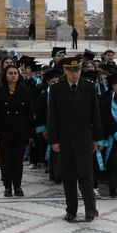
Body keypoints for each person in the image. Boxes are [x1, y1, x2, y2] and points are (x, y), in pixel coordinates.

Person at [48, 56, 103, 222]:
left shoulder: (89, 87)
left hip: (84, 138)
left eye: (77, 70)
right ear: (65, 70)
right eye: (71, 70)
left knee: (86, 175)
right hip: (64, 139)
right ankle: (71, 210)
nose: (74, 74)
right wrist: (54, 140)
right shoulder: (57, 89)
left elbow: (95, 114)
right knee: (68, 176)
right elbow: (52, 116)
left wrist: (96, 138)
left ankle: (91, 210)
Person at [0, 65, 34, 197]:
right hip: (4, 132)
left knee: (17, 160)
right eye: (10, 73)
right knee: (6, 160)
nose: (13, 75)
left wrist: (30, 133)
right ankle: (7, 186)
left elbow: (29, 114)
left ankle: (18, 186)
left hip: (20, 132)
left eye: (15, 73)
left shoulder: (24, 91)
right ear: (5, 75)